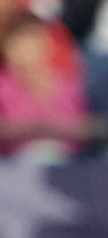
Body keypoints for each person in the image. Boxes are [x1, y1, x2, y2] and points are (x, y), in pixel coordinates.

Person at [0, 16, 86, 156]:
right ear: (7, 48)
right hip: (12, 168)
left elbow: (82, 132)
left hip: (67, 167)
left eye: (33, 41)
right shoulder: (2, 88)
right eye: (19, 43)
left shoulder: (70, 85)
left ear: (48, 43)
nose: (27, 50)